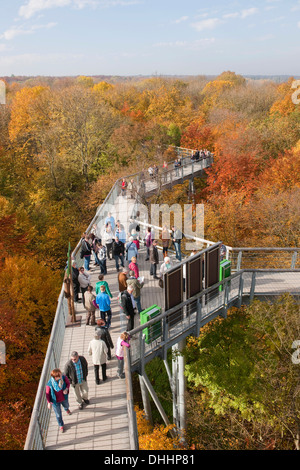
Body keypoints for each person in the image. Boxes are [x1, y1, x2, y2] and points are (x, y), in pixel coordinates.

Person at [46, 369, 71, 433]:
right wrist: (48, 402)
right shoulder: (50, 384)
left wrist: (66, 389)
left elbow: (68, 383)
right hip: (55, 401)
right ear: (55, 377)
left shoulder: (63, 378)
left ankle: (66, 409)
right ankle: (61, 425)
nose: (61, 376)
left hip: (63, 398)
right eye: (59, 375)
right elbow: (47, 394)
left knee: (66, 405)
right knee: (58, 414)